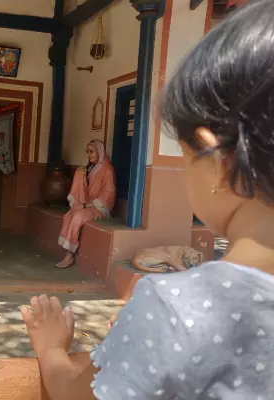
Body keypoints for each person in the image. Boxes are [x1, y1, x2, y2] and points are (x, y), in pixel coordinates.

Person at [21, 1, 274, 398]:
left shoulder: (178, 307)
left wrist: (52, 348)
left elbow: (77, 392)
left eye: (187, 158)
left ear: (217, 160)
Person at [56, 139, 116, 269]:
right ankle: (67, 248)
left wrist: (83, 206)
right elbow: (86, 190)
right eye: (87, 152)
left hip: (100, 207)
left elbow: (107, 195)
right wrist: (81, 174)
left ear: (99, 152)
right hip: (88, 204)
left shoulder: (108, 170)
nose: (89, 155)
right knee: (69, 215)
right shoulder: (91, 168)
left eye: (91, 151)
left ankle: (69, 255)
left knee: (78, 216)